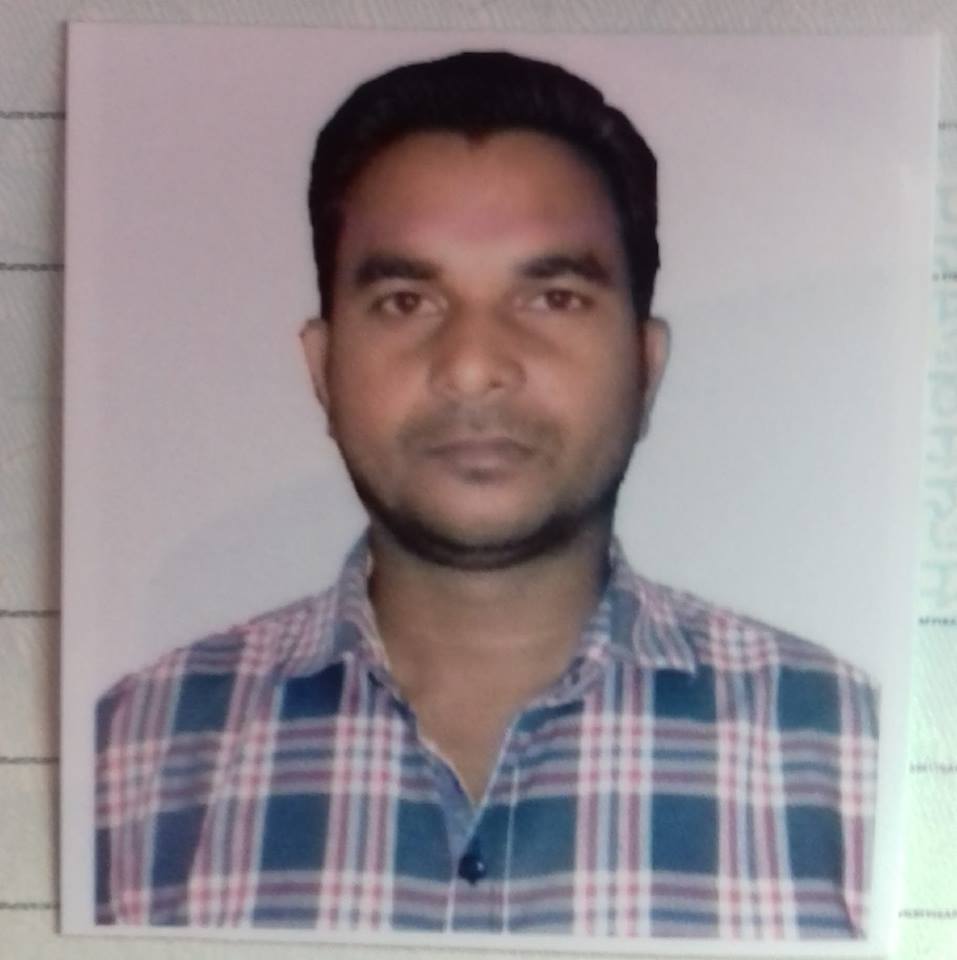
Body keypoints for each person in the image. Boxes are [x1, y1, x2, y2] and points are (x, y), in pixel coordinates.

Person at [94, 50, 878, 938]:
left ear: (645, 365)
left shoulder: (846, 756)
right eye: (405, 301)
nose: (471, 367)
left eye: (552, 297)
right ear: (321, 367)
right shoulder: (132, 751)